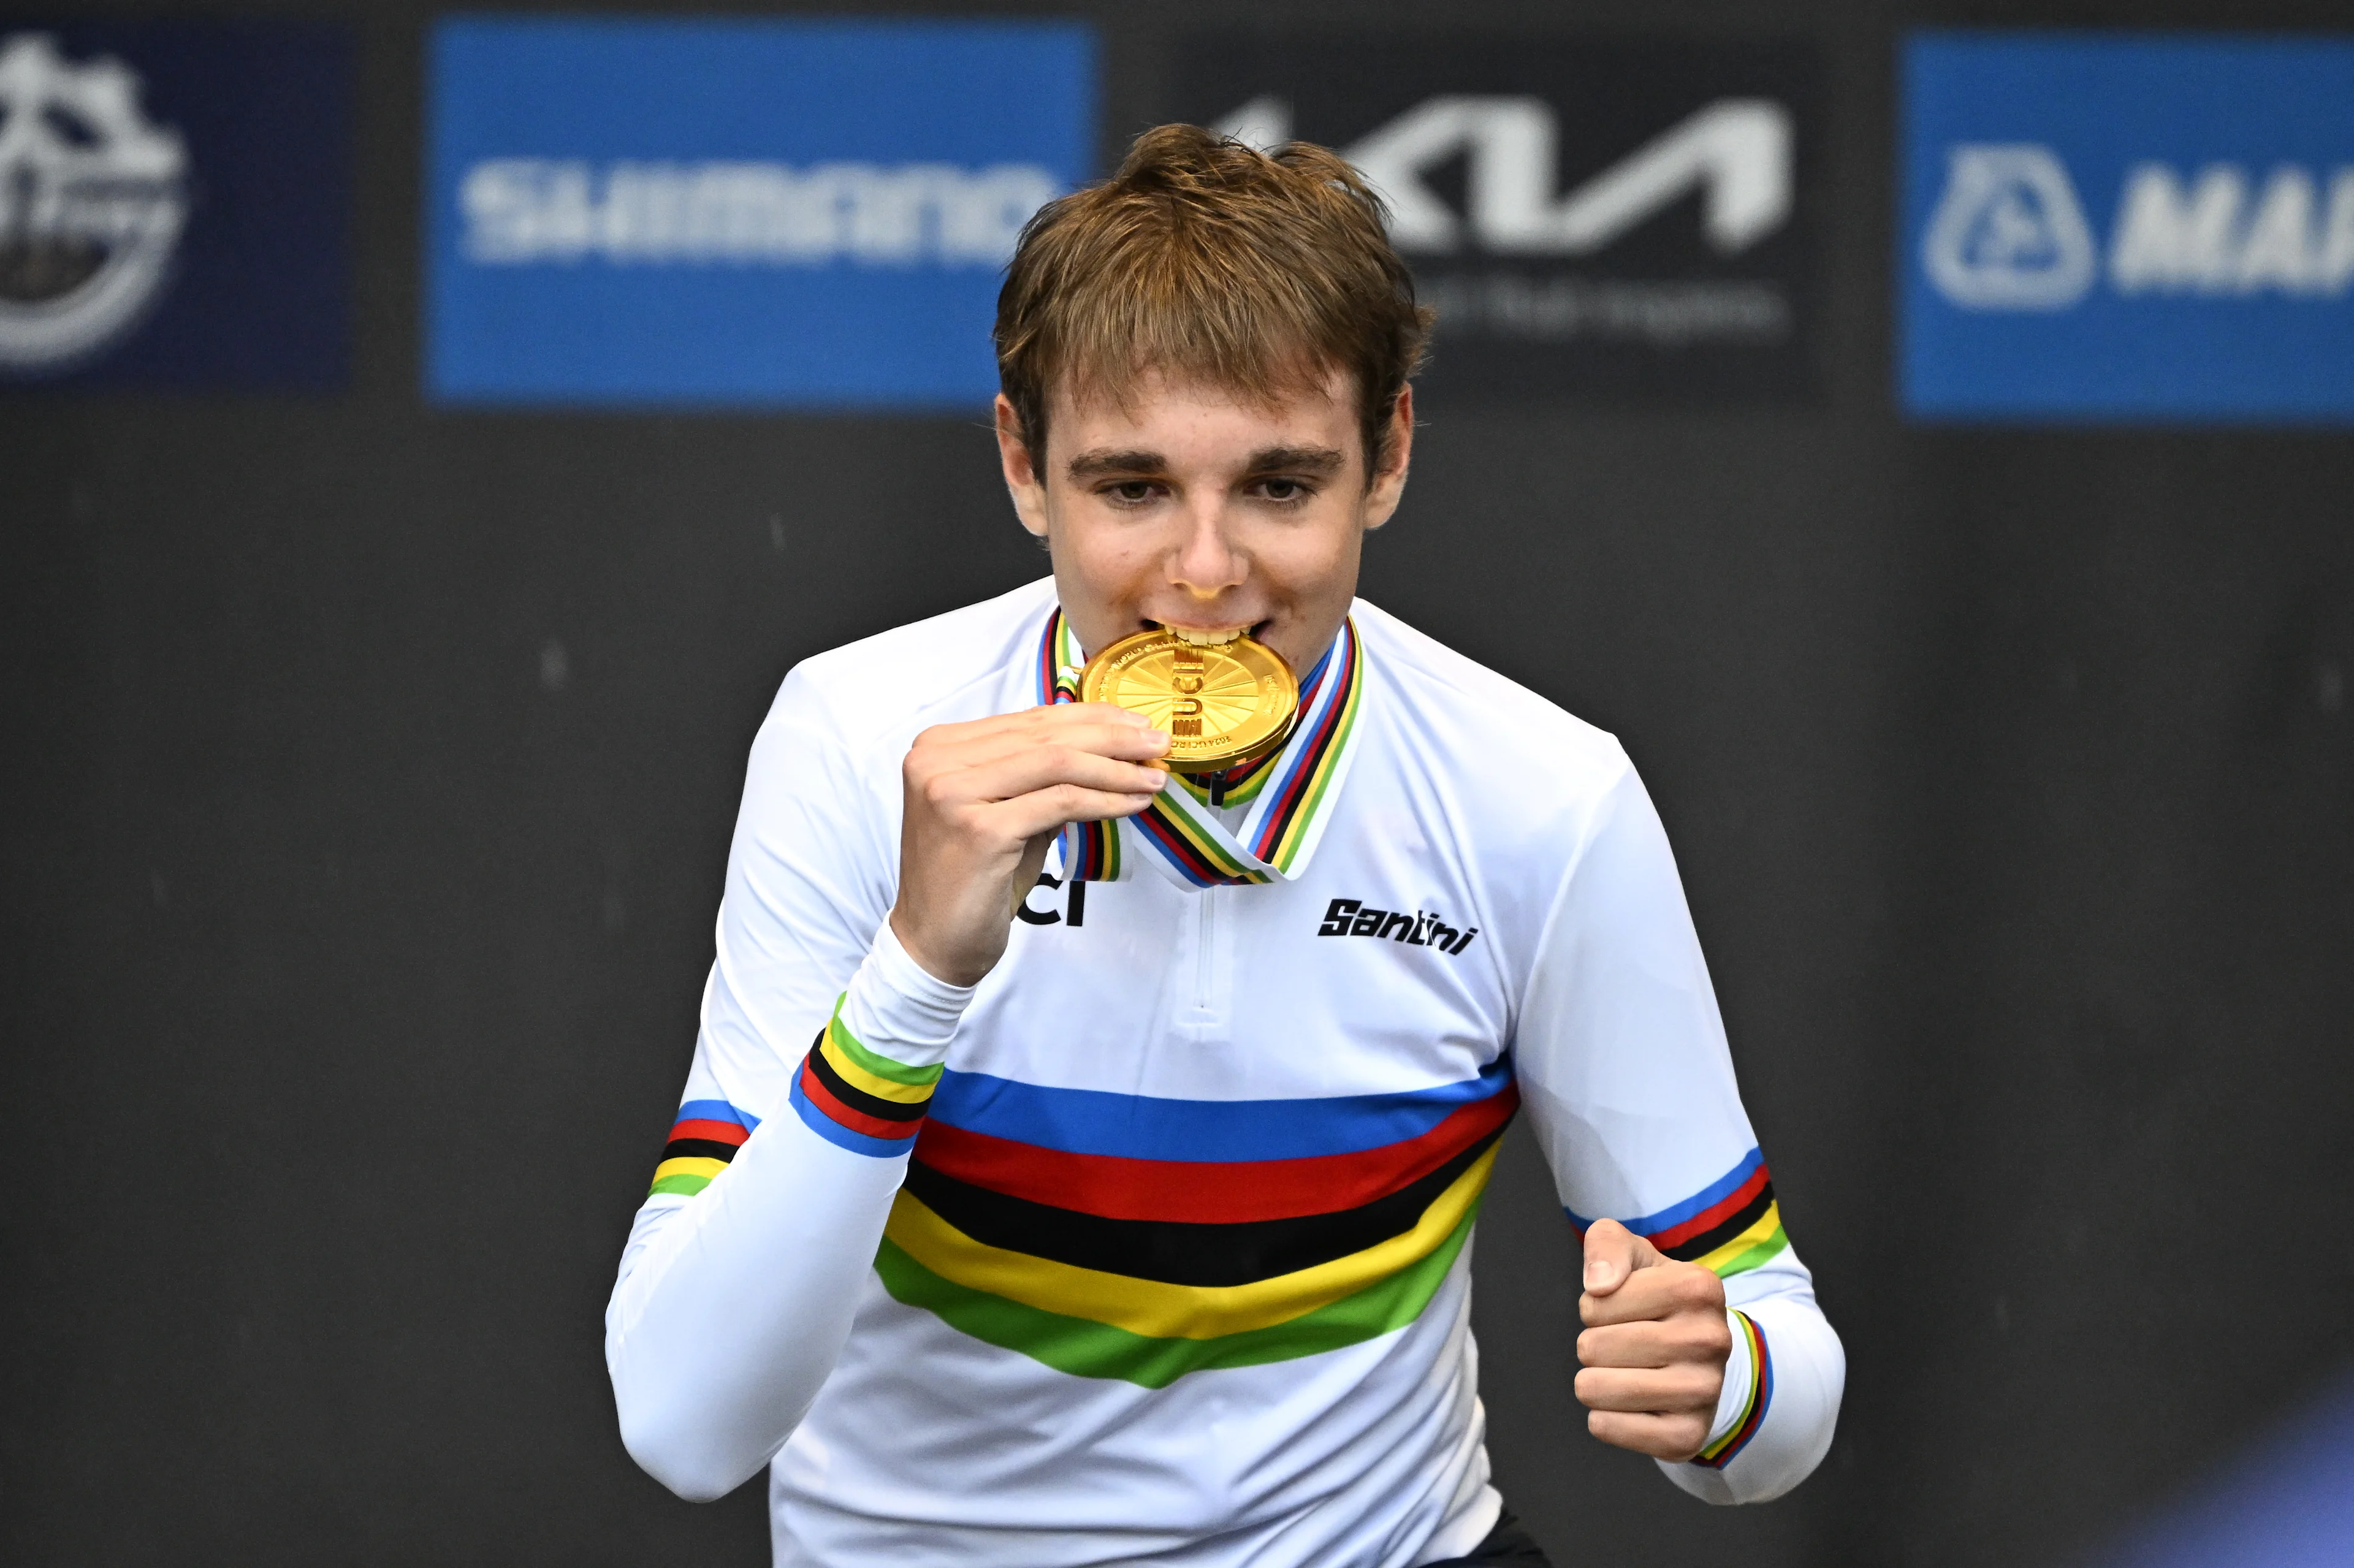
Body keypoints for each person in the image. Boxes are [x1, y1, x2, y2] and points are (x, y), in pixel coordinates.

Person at [604, 124, 1843, 1567]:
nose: (1204, 576)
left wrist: (1725, 1382)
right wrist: (915, 975)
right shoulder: (859, 738)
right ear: (1025, 468)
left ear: (1386, 461)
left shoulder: (1543, 794)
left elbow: (1775, 1356)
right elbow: (685, 1425)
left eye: (1278, 486)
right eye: (1132, 489)